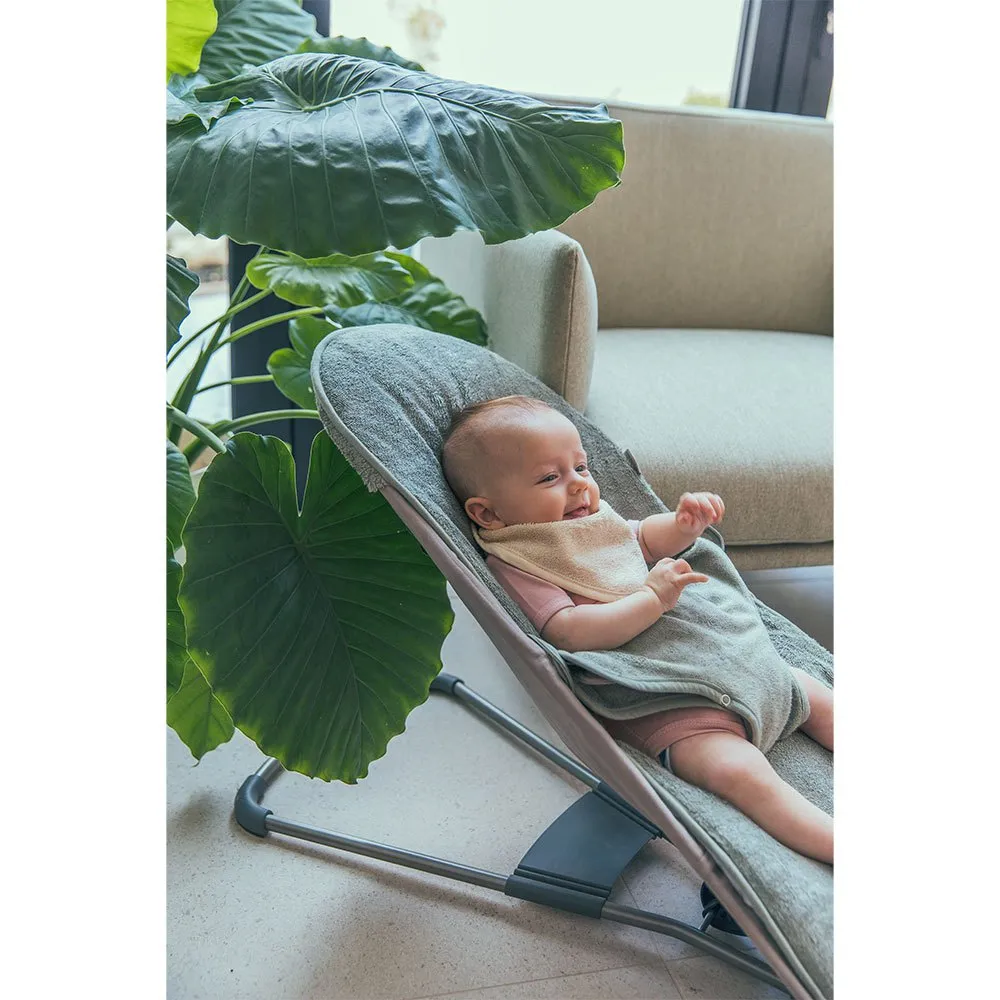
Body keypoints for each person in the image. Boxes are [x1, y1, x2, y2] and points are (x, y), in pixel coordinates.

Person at [442, 395, 833, 865]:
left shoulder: (593, 525)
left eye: (580, 468)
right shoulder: (519, 560)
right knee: (737, 772)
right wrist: (651, 599)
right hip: (666, 699)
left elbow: (644, 537)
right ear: (488, 514)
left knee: (813, 694)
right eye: (549, 478)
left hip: (727, 662)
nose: (578, 486)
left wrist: (683, 525)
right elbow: (567, 632)